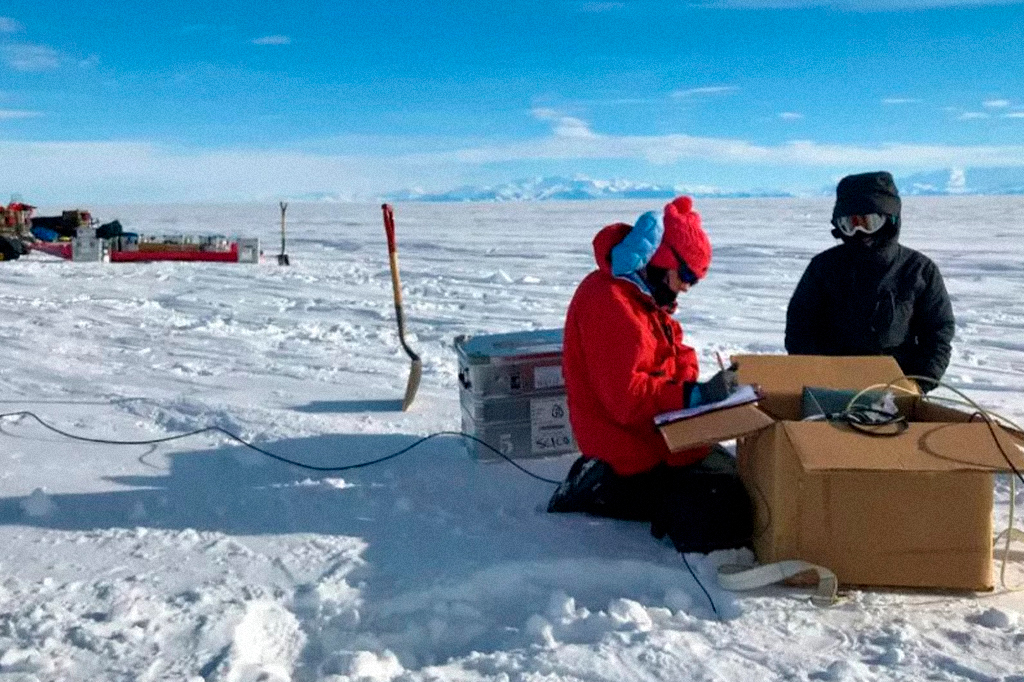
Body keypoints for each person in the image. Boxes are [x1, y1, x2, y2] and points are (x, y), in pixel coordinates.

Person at [547, 196, 752, 554]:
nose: (686, 287)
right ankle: (597, 486)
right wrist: (694, 396)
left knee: (738, 477)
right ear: (661, 261)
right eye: (686, 275)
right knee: (725, 502)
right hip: (629, 453)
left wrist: (694, 390)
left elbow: (678, 353)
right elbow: (628, 401)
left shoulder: (641, 297)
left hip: (655, 436)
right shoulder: (609, 302)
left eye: (695, 280)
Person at [785, 171, 955, 391]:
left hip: (897, 388)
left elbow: (938, 334)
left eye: (868, 222)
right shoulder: (823, 268)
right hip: (831, 388)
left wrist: (919, 383)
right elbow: (800, 328)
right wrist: (818, 376)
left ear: (889, 220)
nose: (859, 232)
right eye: (850, 224)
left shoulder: (919, 270)